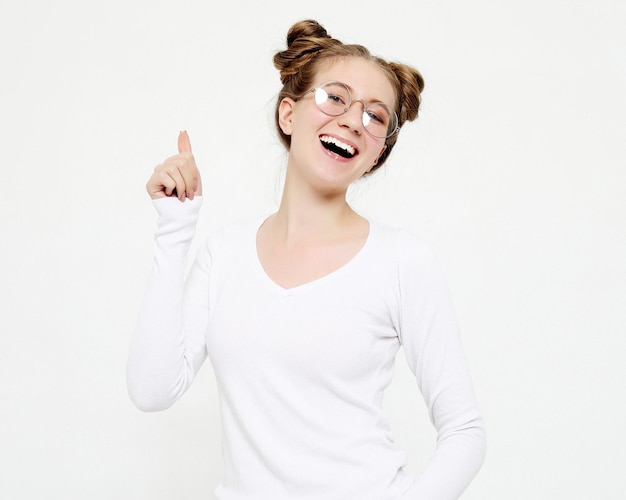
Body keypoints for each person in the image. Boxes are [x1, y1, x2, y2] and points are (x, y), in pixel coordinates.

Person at [127, 19, 486, 500]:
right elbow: (152, 390)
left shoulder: (401, 261)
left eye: (376, 117)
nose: (354, 120)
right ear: (288, 114)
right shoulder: (225, 254)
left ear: (376, 153)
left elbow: (464, 431)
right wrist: (175, 227)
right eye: (335, 98)